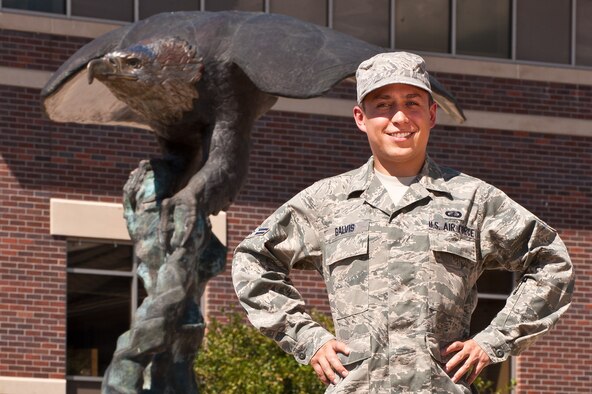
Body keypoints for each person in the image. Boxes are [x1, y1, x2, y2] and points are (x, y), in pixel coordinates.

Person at [231, 52, 574, 393]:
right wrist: (307, 338)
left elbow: (552, 262)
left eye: (412, 103)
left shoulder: (474, 200)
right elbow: (252, 260)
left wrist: (494, 340)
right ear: (360, 117)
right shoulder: (326, 202)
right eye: (383, 104)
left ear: (431, 114)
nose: (399, 117)